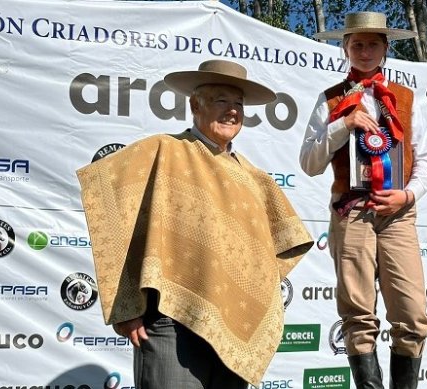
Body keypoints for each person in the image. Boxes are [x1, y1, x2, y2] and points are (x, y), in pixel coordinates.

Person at [77, 59, 313, 389]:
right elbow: (108, 198)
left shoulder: (254, 179)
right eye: (221, 101)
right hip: (170, 322)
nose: (232, 111)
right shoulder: (163, 150)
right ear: (195, 104)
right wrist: (125, 305)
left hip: (234, 328)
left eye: (238, 104)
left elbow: (274, 252)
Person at [300, 11, 427, 389]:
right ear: (345, 48)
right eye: (356, 44)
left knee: (412, 314)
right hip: (352, 211)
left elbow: (426, 160)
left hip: (398, 213)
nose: (364, 51)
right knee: (358, 313)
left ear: (385, 49)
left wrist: (407, 194)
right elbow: (309, 162)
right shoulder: (329, 100)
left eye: (372, 43)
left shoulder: (406, 99)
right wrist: (344, 124)